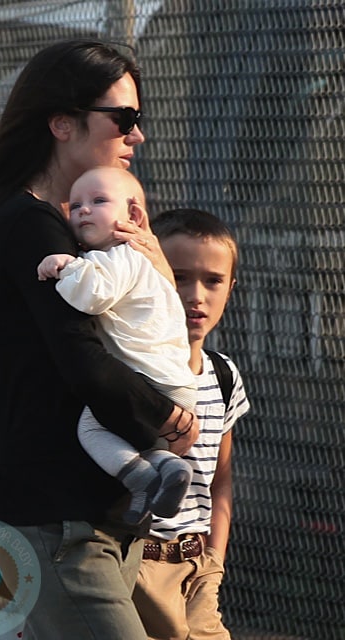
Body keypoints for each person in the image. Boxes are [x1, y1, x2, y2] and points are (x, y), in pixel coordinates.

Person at [0, 40, 199, 640]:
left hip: (97, 520)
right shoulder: (31, 225)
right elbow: (83, 358)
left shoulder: (71, 229)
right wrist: (166, 416)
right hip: (58, 522)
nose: (136, 136)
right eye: (124, 119)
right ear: (62, 123)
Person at [37, 166, 196, 526]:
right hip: (177, 385)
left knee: (91, 431)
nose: (83, 211)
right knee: (141, 444)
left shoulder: (119, 257)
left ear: (134, 216)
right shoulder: (151, 264)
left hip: (148, 380)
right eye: (75, 205)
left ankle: (141, 483)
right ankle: (169, 468)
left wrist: (65, 267)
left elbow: (93, 296)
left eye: (98, 201)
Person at [132, 208, 250, 640]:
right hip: (135, 566)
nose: (195, 295)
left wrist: (214, 563)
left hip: (198, 571)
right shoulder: (127, 371)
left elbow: (220, 479)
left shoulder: (224, 375)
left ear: (230, 288)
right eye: (179, 277)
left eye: (212, 280)